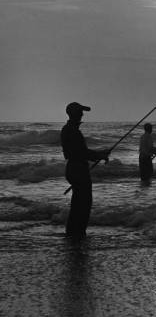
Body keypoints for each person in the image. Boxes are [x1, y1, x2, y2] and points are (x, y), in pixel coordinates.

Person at [61, 102, 110, 240]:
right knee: (83, 204)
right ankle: (77, 234)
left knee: (78, 204)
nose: (82, 114)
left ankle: (73, 233)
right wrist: (99, 155)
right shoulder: (72, 131)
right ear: (74, 114)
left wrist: (98, 155)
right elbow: (81, 152)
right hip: (77, 169)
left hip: (74, 169)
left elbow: (81, 152)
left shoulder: (69, 129)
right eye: (80, 112)